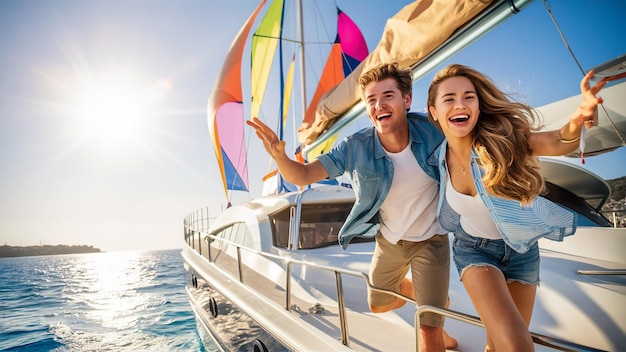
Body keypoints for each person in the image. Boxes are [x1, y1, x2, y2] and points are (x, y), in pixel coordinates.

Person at [248, 62, 456, 351]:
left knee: (428, 332)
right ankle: (432, 300)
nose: (379, 105)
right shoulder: (354, 146)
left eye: (387, 96)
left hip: (431, 239)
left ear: (406, 100)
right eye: (371, 100)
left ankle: (434, 317)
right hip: (390, 239)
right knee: (379, 302)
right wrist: (281, 158)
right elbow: (304, 175)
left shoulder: (434, 132)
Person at [426, 64, 606, 351]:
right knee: (518, 345)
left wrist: (578, 118)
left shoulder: (502, 141)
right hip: (474, 250)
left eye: (469, 97)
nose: (460, 104)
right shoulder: (434, 158)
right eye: (449, 99)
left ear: (478, 105)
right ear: (434, 112)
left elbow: (557, 141)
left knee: (498, 346)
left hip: (522, 251)